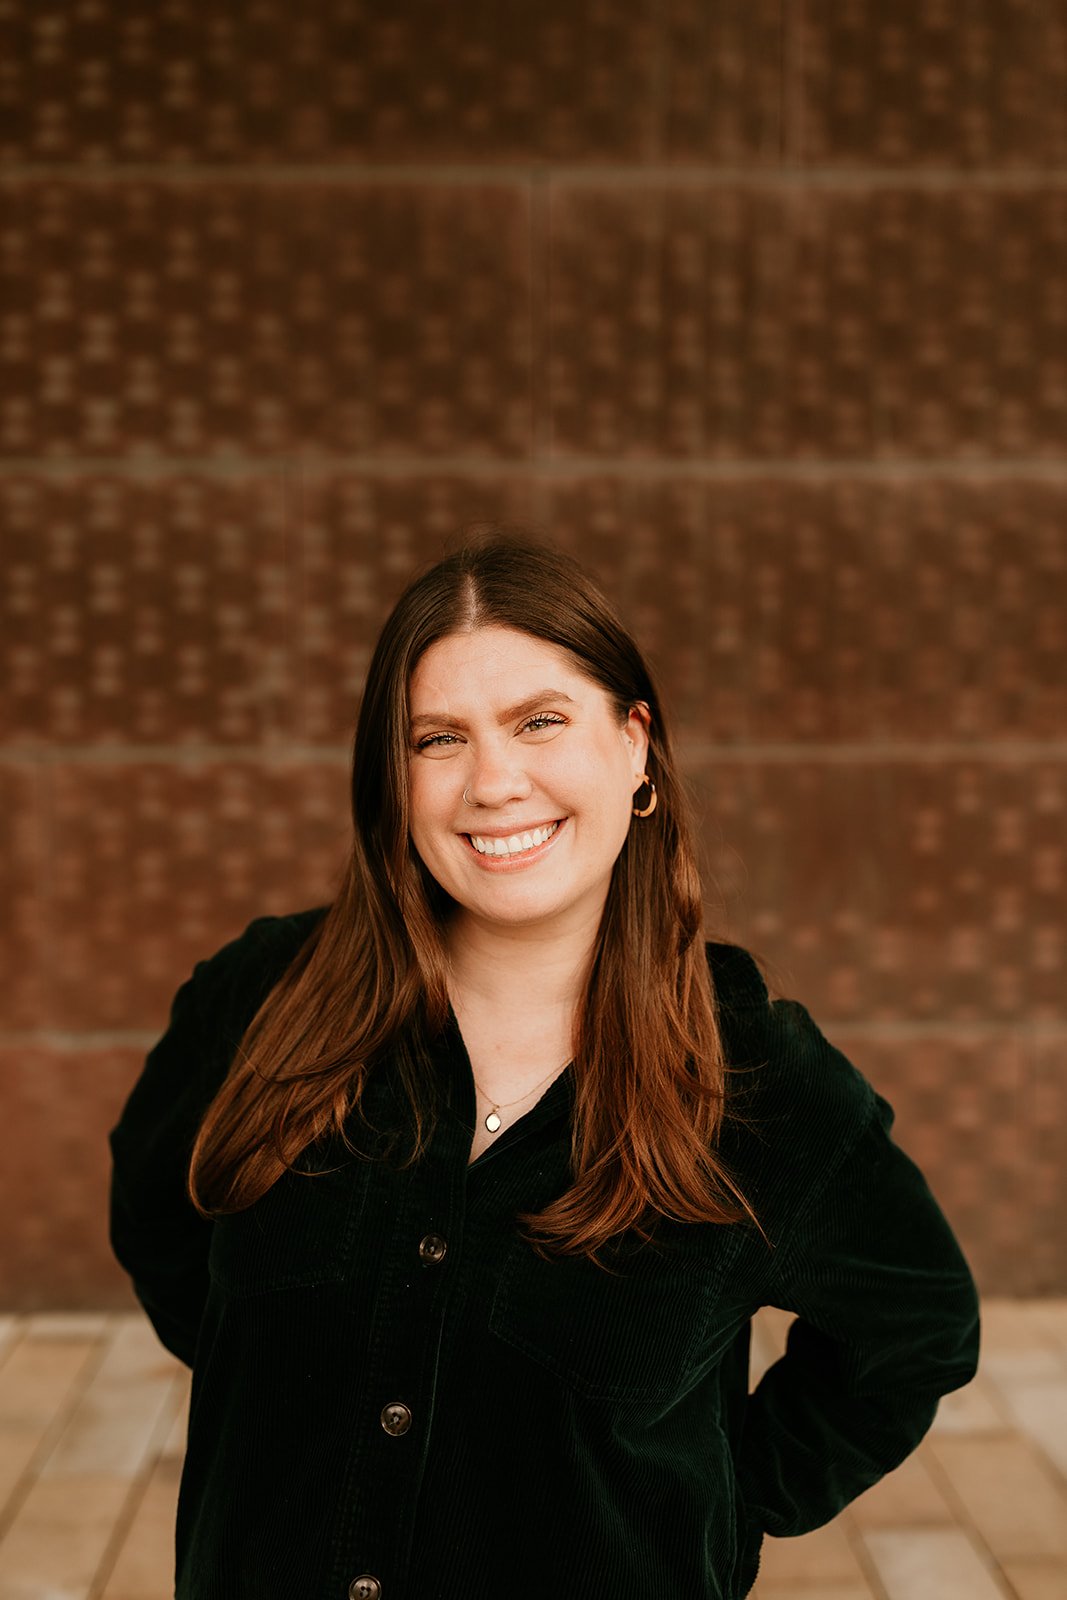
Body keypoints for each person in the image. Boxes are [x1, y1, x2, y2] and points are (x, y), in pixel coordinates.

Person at [109, 535, 980, 1600]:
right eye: (438, 739)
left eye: (538, 721)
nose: (493, 782)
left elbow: (915, 1327)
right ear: (393, 777)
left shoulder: (755, 1078)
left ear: (635, 745)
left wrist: (720, 1507)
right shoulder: (257, 1002)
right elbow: (161, 1221)